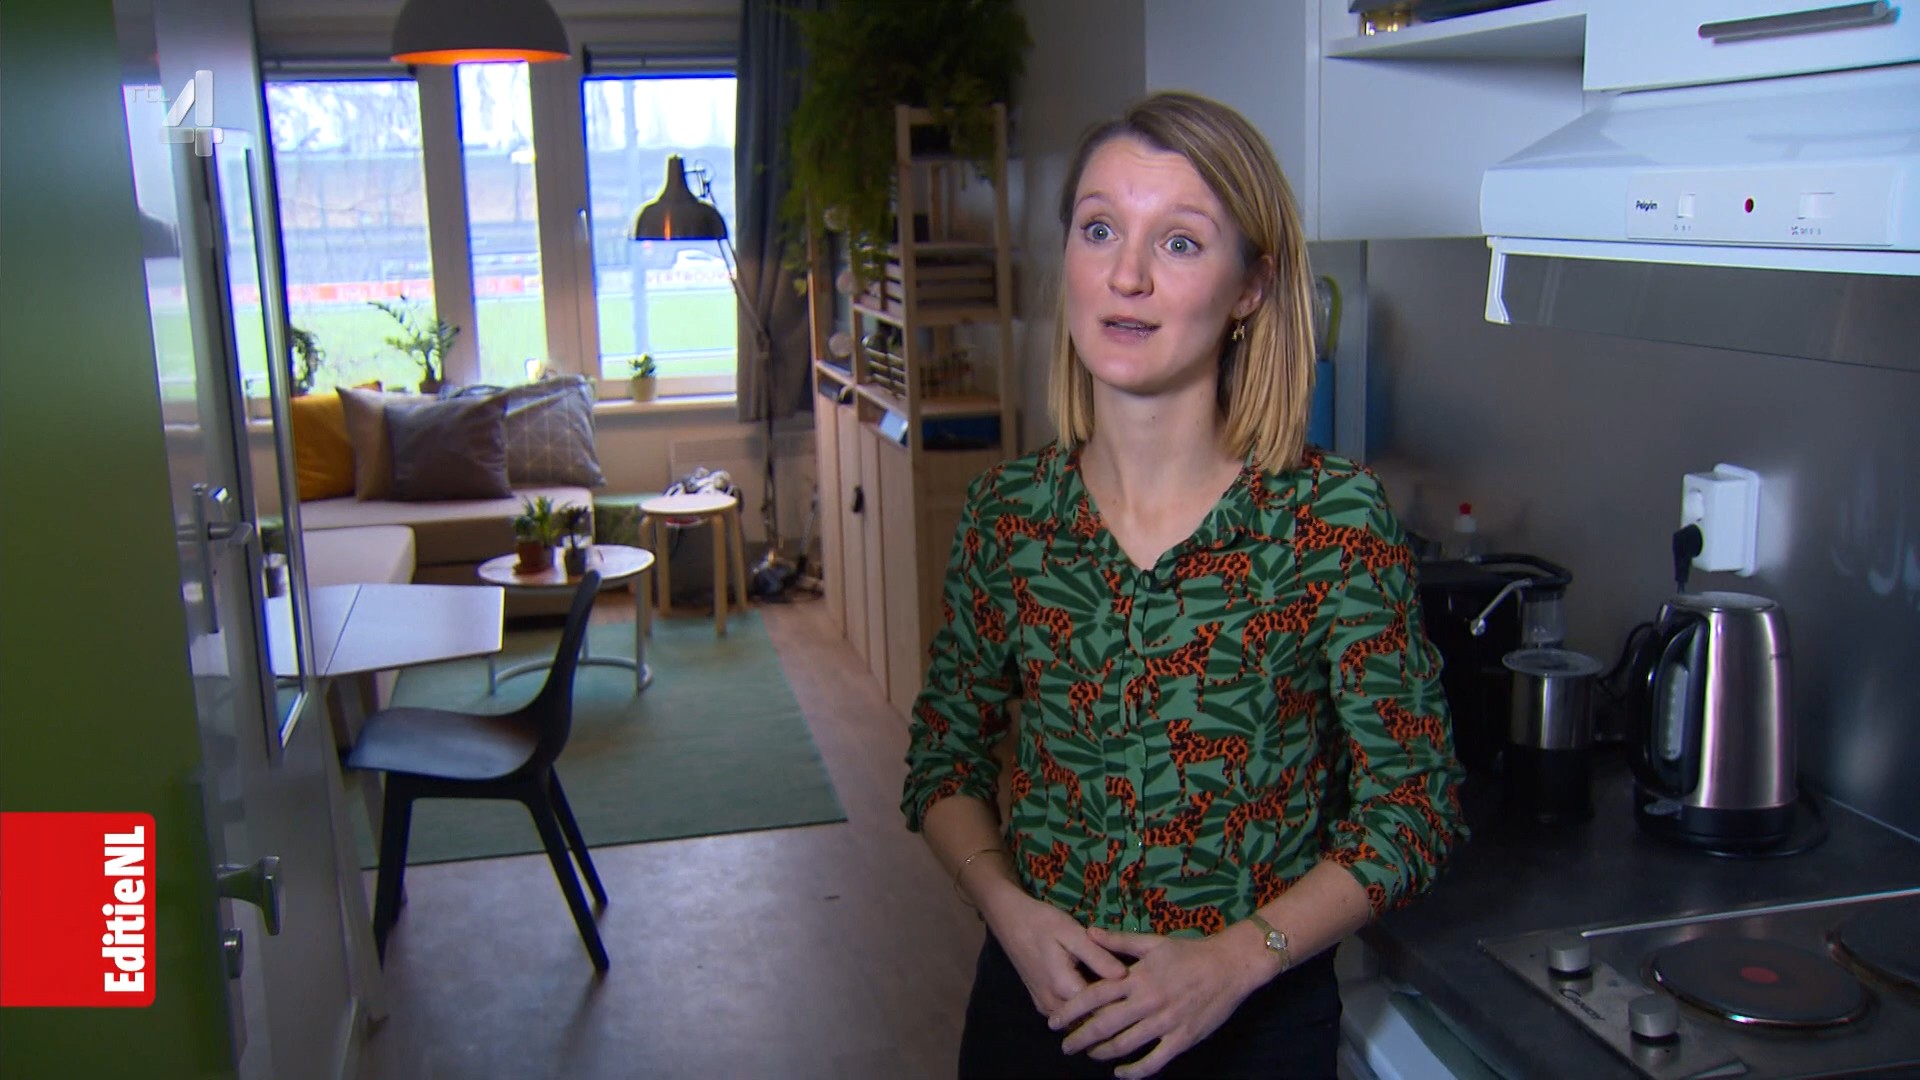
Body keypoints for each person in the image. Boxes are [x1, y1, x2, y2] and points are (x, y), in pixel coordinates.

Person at [900, 91, 1466, 1079]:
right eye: (1100, 229)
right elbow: (943, 762)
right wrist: (1009, 912)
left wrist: (1236, 961)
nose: (1127, 275)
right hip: (1038, 1014)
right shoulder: (1009, 516)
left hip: (1251, 1029)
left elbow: (1413, 808)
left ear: (1251, 287)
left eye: (1180, 242)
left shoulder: (1331, 522)